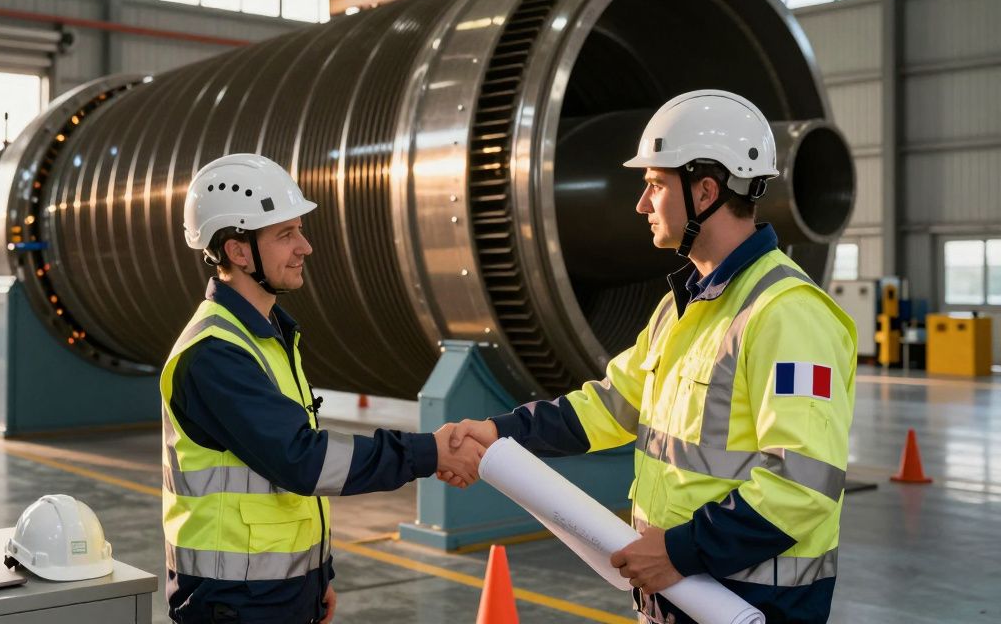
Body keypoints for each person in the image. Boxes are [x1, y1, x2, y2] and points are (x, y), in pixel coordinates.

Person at [445, 90, 857, 623]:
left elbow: (803, 484)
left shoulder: (787, 314)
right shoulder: (680, 306)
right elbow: (612, 405)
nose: (642, 205)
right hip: (678, 593)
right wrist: (500, 433)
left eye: (655, 185)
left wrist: (679, 551)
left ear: (706, 191)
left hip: (750, 604)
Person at [163, 153, 484, 624]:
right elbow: (304, 461)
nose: (305, 247)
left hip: (276, 594)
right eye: (285, 234)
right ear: (238, 250)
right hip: (233, 603)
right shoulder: (215, 353)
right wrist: (429, 452)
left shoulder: (266, 334)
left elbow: (277, 481)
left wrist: (316, 577)